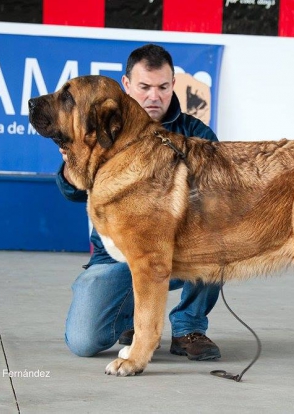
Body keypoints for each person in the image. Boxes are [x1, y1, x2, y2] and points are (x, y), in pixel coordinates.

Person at [56, 44, 221, 361]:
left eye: (162, 87)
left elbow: (214, 202)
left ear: (173, 85)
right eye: (144, 87)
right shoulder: (101, 129)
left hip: (177, 251)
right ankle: (131, 319)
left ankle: (188, 327)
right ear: (127, 85)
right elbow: (72, 193)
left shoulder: (197, 133)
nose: (154, 96)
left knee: (219, 236)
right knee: (83, 342)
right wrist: (71, 164)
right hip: (114, 257)